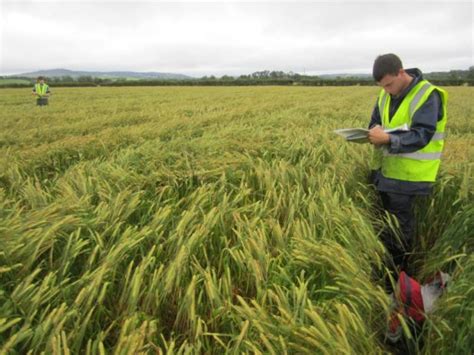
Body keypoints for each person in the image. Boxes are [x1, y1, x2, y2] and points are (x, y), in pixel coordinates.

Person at [367, 54, 447, 285]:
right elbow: (375, 122)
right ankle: (390, 275)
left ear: (401, 72)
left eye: (390, 84)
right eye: (383, 87)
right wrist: (371, 132)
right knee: (387, 227)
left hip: (410, 176)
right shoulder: (385, 94)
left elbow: (423, 134)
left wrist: (388, 139)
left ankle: (395, 280)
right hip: (386, 173)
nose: (388, 91)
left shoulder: (427, 95)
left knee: (399, 232)